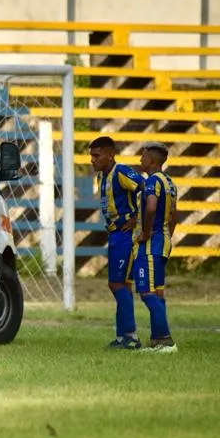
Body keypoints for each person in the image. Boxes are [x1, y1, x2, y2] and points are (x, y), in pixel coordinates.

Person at [89, 136, 145, 350]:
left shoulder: (121, 171)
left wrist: (137, 218)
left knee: (116, 284)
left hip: (125, 235)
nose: (92, 160)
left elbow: (146, 187)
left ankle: (130, 336)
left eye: (96, 155)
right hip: (114, 234)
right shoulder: (102, 177)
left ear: (110, 154)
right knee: (122, 285)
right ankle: (123, 337)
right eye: (91, 156)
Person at [136, 142, 179, 353]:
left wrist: (145, 232)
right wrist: (168, 234)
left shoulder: (153, 181)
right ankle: (156, 340)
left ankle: (165, 340)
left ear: (152, 161)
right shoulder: (170, 182)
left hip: (151, 244)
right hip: (164, 241)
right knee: (158, 293)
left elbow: (151, 206)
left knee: (146, 292)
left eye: (143, 157)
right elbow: (174, 216)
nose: (140, 160)